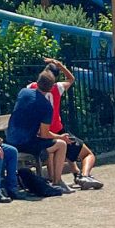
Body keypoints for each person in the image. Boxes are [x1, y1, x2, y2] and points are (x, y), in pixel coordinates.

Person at [38, 60, 103, 189]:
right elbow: (71, 78)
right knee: (87, 154)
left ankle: (76, 173)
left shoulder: (31, 88)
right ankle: (84, 175)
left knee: (65, 148)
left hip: (39, 133)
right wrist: (61, 65)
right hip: (57, 131)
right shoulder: (57, 88)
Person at [7, 76, 70, 193]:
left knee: (50, 146)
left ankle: (48, 172)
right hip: (25, 144)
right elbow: (44, 134)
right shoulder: (46, 106)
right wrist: (60, 137)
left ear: (37, 82)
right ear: (51, 88)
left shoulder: (23, 92)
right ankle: (57, 181)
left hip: (10, 139)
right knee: (61, 144)